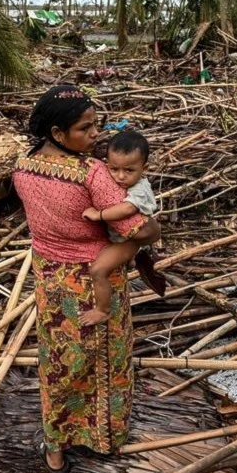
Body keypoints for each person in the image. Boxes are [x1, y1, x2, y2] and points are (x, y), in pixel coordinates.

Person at [12, 85, 161, 473]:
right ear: (59, 134)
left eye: (97, 125)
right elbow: (138, 229)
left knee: (58, 363)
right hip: (96, 279)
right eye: (86, 128)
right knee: (106, 360)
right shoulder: (92, 173)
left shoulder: (22, 168)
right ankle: (104, 438)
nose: (96, 135)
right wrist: (154, 230)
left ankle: (55, 445)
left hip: (49, 280)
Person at [80, 130, 165, 327]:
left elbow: (127, 209)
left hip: (128, 241)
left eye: (129, 171)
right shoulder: (117, 178)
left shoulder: (139, 190)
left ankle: (103, 310)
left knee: (98, 270)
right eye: (114, 169)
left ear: (144, 168)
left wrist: (98, 215)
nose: (120, 176)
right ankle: (133, 262)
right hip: (120, 238)